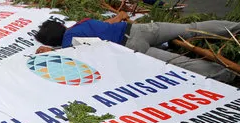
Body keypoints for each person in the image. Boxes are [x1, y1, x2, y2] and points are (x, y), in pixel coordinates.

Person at [34, 14, 240, 83]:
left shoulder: (70, 45)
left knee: (180, 64)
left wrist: (51, 53)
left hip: (131, 47)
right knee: (191, 29)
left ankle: (230, 74)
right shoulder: (82, 23)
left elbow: (76, 59)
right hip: (138, 29)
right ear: (60, 25)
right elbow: (111, 22)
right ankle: (234, 27)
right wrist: (121, 15)